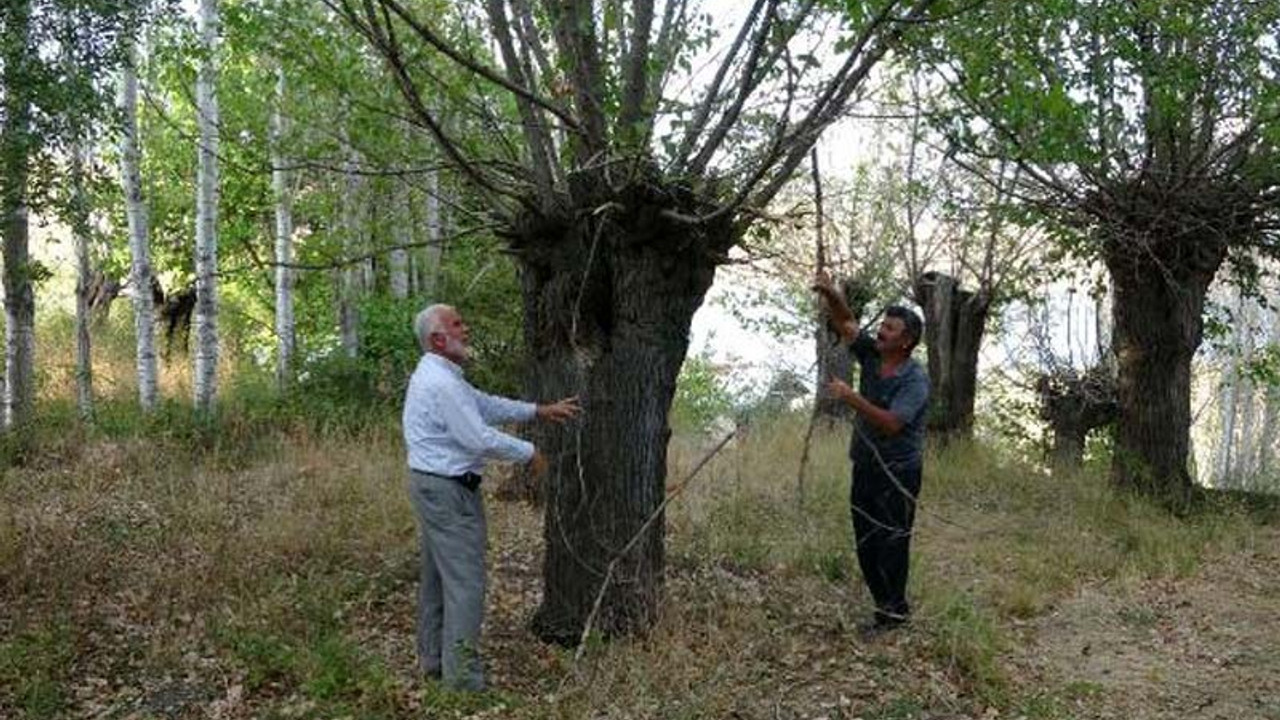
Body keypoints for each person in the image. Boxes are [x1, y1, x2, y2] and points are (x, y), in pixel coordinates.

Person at [402, 303, 580, 690]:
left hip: (434, 486)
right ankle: (462, 682)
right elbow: (476, 437)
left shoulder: (444, 376)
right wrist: (530, 453)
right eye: (457, 324)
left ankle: (433, 661)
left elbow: (484, 405)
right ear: (437, 338)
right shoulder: (441, 383)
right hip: (447, 492)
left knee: (437, 579)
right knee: (466, 583)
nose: (465, 330)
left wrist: (539, 410)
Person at [812, 272, 929, 637]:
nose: (881, 332)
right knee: (866, 541)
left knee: (892, 541)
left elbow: (893, 424)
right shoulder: (872, 356)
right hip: (864, 465)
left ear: (907, 341)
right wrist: (832, 294)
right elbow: (846, 322)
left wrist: (851, 398)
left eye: (890, 329)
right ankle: (884, 607)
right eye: (883, 325)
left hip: (898, 472)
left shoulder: (914, 379)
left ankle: (894, 615)